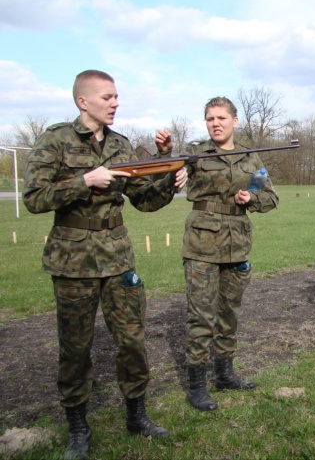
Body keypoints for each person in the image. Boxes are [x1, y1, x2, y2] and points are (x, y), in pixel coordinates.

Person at [23, 70, 188, 460]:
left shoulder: (121, 145)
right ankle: (78, 429)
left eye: (116, 97)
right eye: (107, 97)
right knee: (75, 349)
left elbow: (143, 200)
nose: (115, 103)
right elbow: (33, 197)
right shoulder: (56, 139)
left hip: (118, 258)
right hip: (73, 260)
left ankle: (137, 416)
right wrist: (85, 181)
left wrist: (168, 180)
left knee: (132, 341)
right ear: (83, 101)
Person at [157, 97, 279, 412]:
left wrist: (251, 197)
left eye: (221, 117)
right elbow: (171, 175)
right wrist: (172, 165)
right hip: (201, 245)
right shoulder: (196, 154)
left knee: (229, 313)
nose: (216, 123)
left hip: (237, 243)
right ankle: (197, 387)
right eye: (210, 118)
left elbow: (271, 197)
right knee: (201, 316)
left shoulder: (251, 158)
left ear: (234, 121)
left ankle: (225, 375)